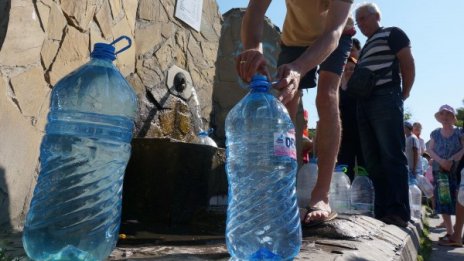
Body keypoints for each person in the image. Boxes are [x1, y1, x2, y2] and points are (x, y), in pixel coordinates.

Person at [236, 0, 354, 226]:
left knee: (327, 96)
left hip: (334, 36)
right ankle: (280, 190)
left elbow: (334, 31)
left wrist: (300, 68)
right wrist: (252, 49)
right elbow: (255, 10)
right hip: (294, 38)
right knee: (284, 101)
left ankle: (321, 195)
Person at [354, 3, 415, 227]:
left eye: (363, 18)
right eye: (358, 20)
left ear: (376, 15)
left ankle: (398, 212)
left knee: (391, 154)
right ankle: (381, 210)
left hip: (385, 96)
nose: (360, 23)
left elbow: (408, 62)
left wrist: (403, 94)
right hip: (364, 102)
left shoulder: (393, 33)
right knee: (372, 159)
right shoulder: (366, 46)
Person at [427, 104, 464, 247]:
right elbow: (430, 149)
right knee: (443, 200)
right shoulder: (435, 133)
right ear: (439, 117)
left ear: (453, 117)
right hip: (440, 171)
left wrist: (452, 159)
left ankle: (458, 232)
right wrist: (441, 161)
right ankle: (450, 232)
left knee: (459, 199)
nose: (445, 117)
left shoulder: (460, 132)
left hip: (456, 171)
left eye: (448, 114)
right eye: (442, 114)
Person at [337, 55, 365, 182]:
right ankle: (345, 194)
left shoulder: (361, 88)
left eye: (352, 68)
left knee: (363, 165)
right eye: (346, 68)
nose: (348, 71)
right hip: (343, 135)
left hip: (361, 133)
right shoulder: (336, 90)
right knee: (344, 166)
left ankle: (364, 193)